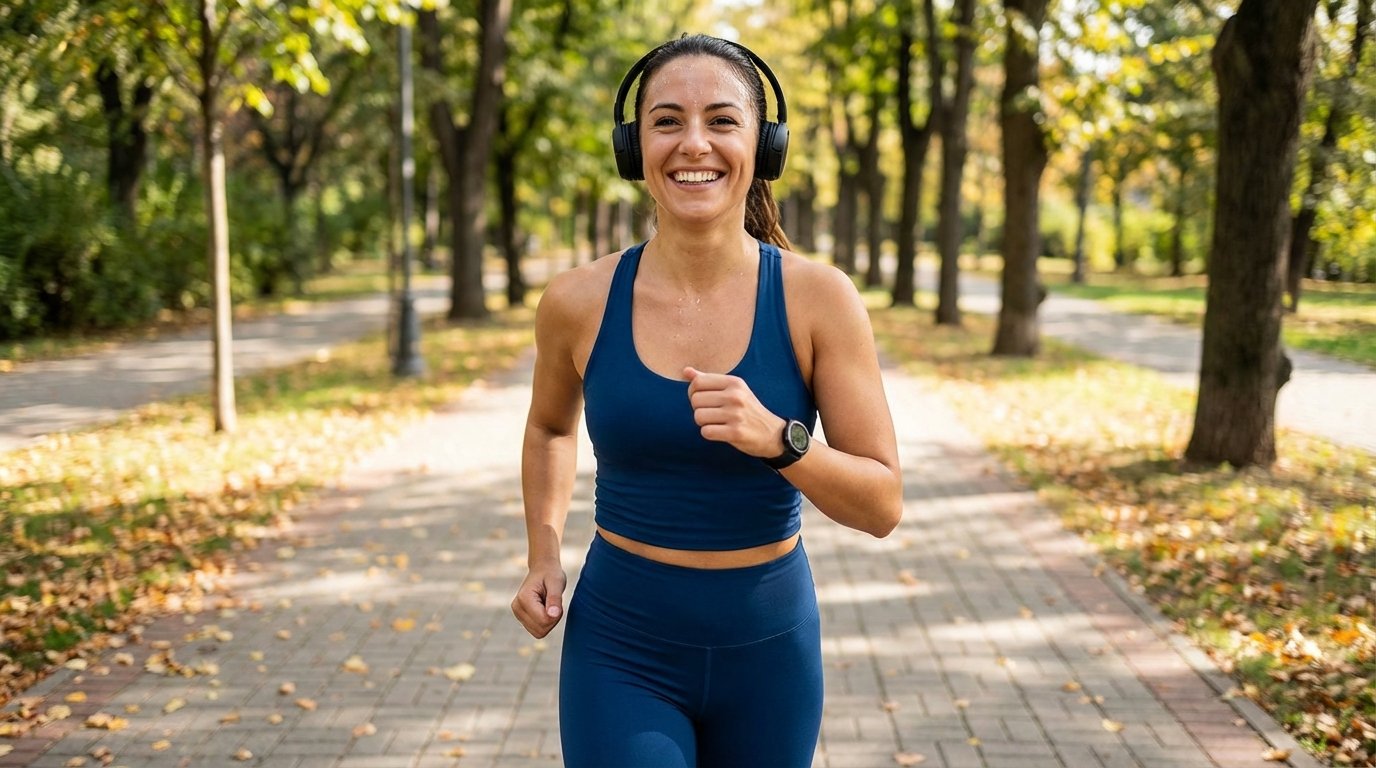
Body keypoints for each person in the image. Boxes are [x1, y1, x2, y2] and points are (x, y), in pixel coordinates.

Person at [511, 33, 902, 768]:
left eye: (722, 120)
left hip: (771, 651)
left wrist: (782, 441)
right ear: (635, 149)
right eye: (667, 121)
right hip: (621, 645)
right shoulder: (576, 301)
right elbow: (549, 428)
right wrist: (543, 553)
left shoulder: (820, 300)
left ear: (763, 145)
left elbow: (881, 505)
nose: (695, 143)